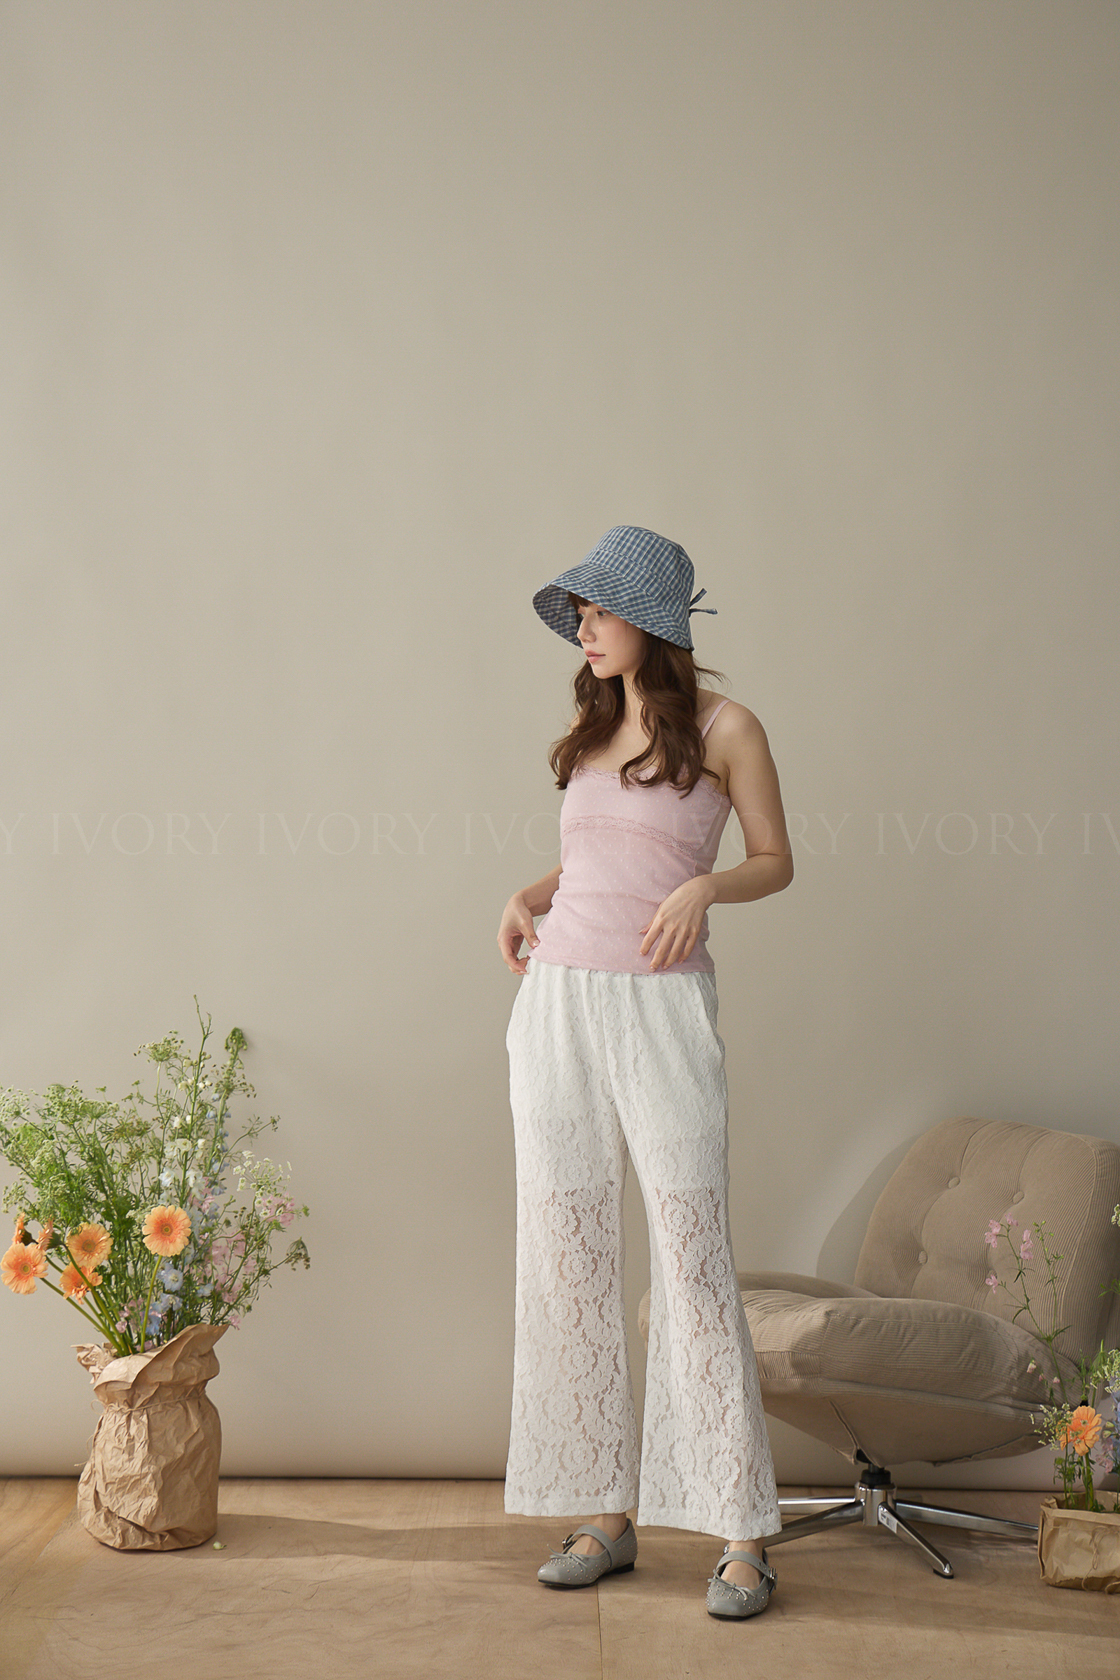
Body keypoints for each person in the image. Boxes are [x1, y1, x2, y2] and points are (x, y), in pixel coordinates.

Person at [497, 526, 794, 1620]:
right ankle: (603, 1514)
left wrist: (706, 890)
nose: (583, 630)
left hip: (662, 1008)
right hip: (557, 1004)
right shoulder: (591, 730)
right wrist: (527, 895)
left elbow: (774, 859)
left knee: (691, 1258)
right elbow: (594, 858)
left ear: (654, 621)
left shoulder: (727, 727)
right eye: (577, 614)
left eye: (599, 613)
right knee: (565, 1255)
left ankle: (742, 1533)